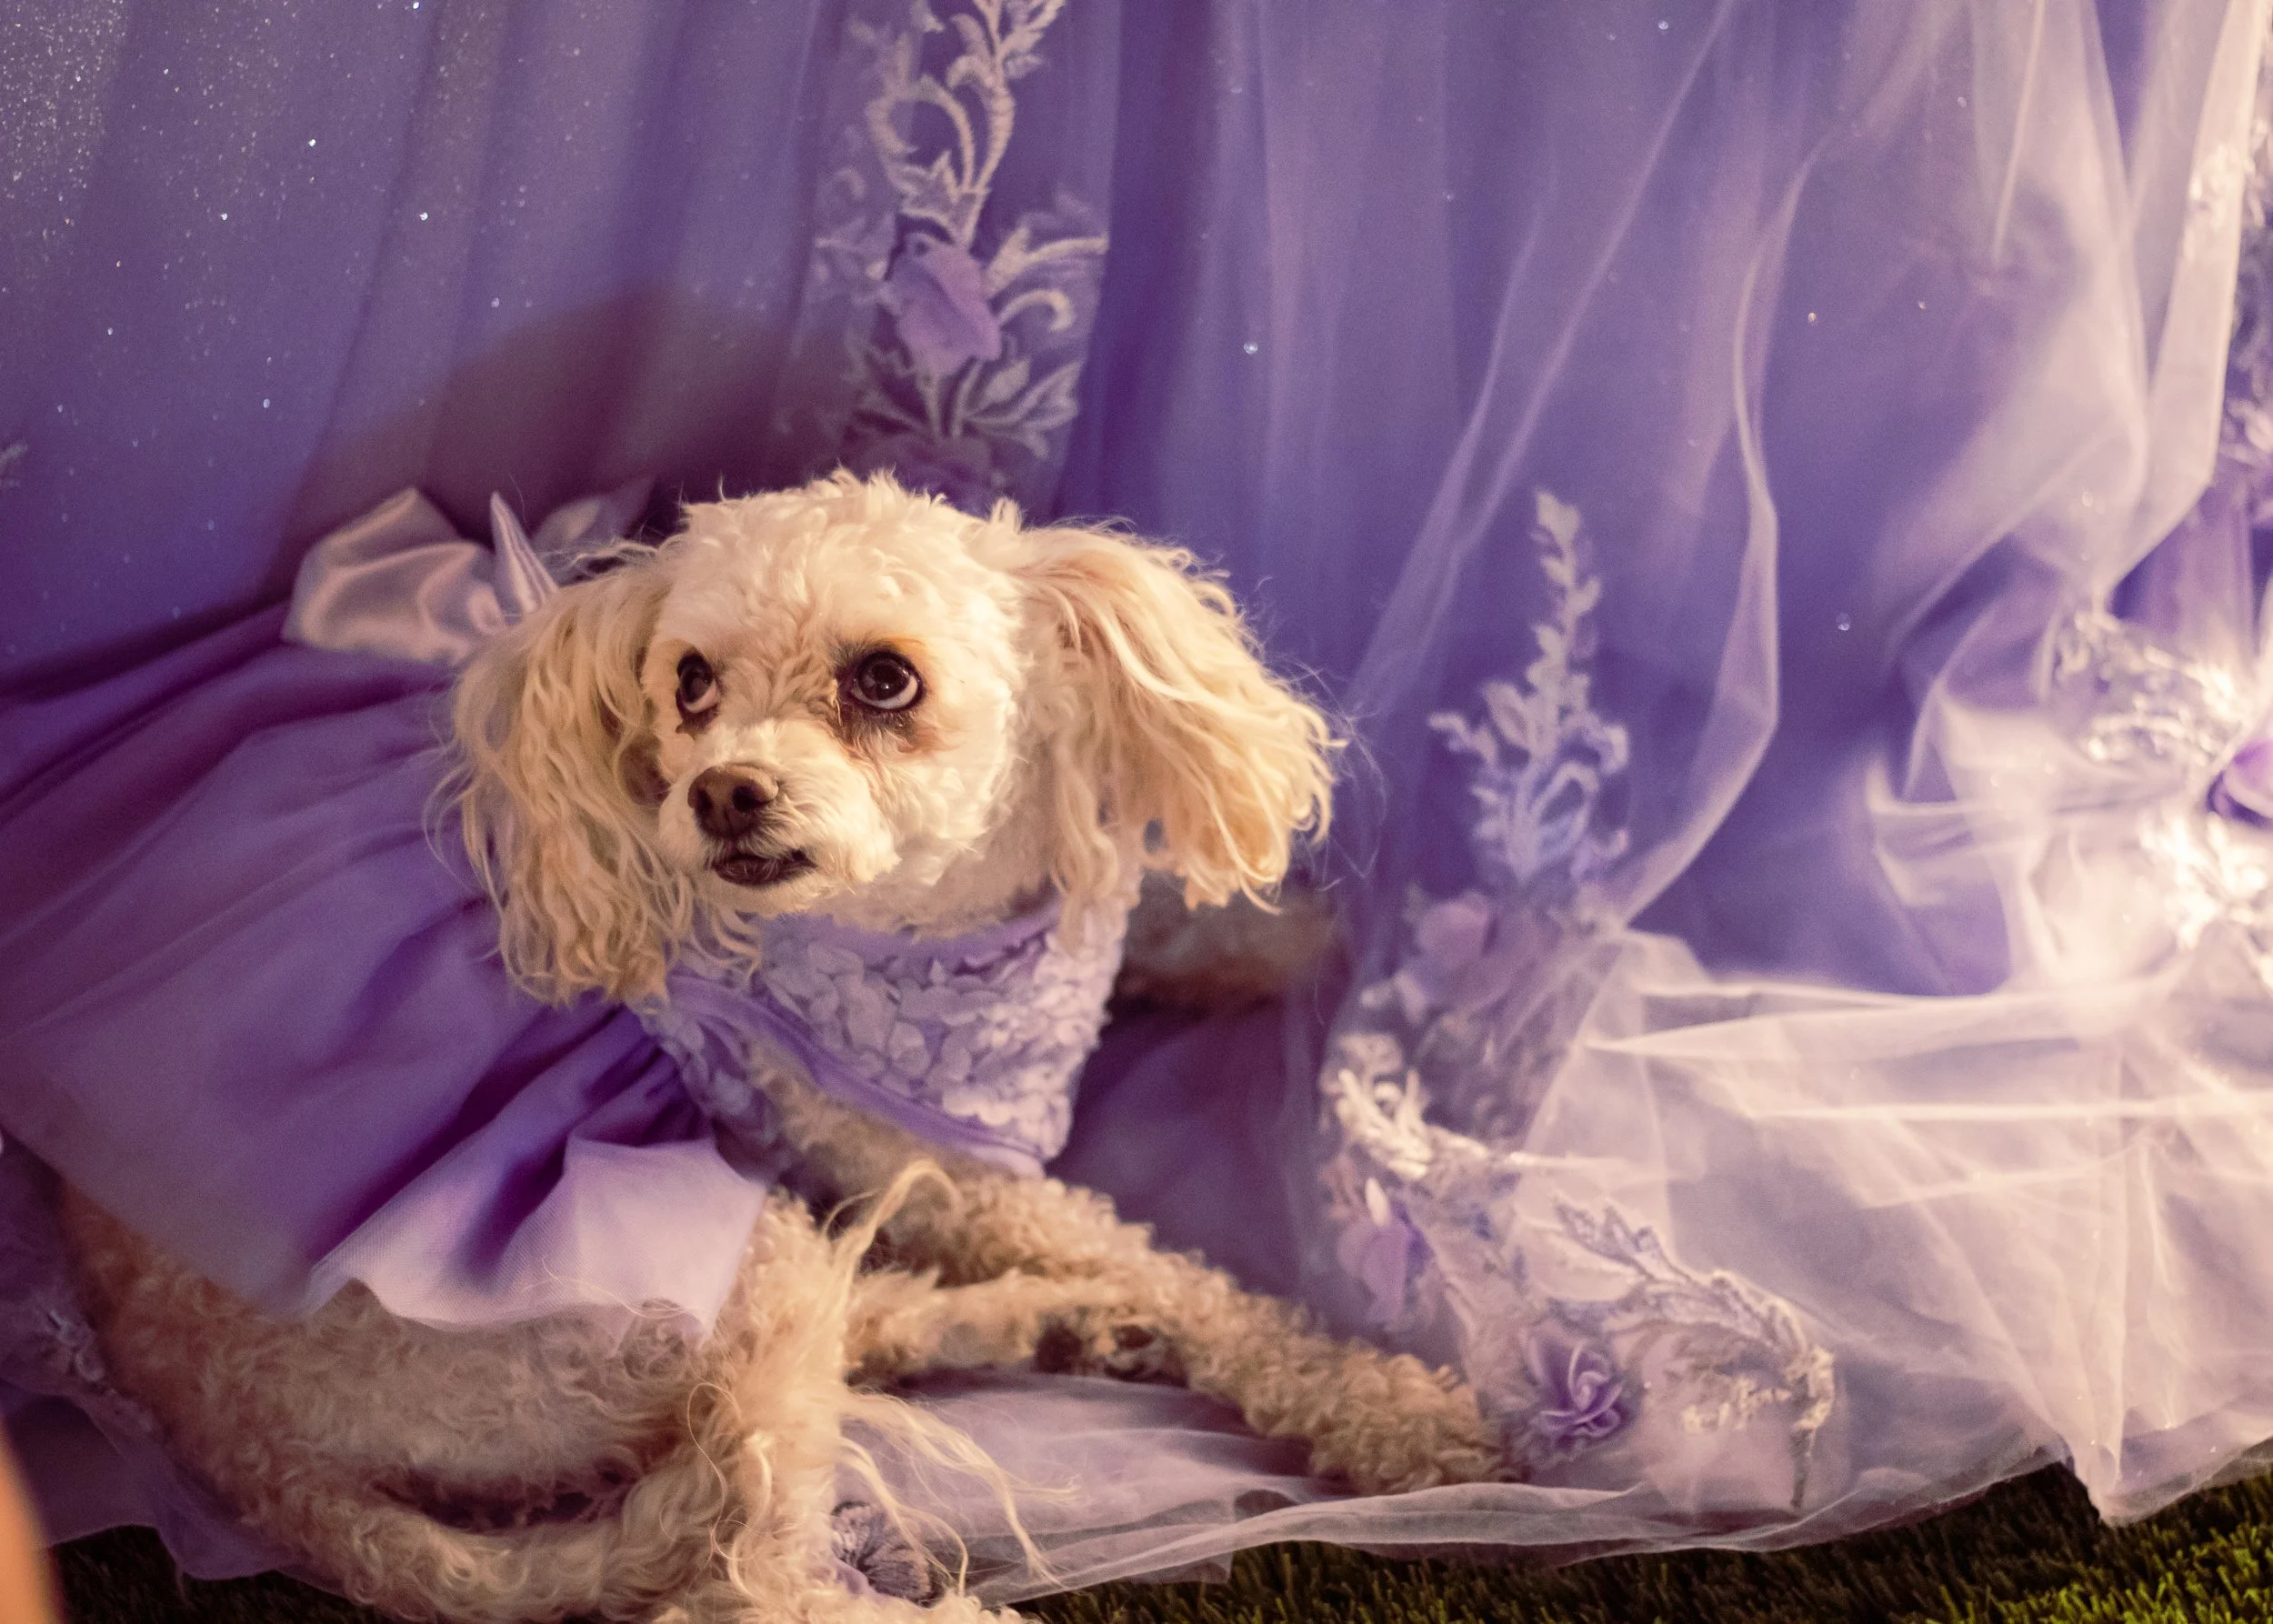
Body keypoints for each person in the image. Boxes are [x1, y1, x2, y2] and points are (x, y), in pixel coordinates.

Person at [5, 0, 2273, 1603]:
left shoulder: (1046, 726)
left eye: (872, 691)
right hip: (336, 1295)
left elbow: (1087, 909)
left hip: (321, 1240)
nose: (734, 767)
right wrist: (1300, 1365)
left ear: (1033, 681)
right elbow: (995, 1192)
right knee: (842, 1260)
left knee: (941, 1191)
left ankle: (861, 1367)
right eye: (693, 699)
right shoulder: (777, 945)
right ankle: (762, 1571)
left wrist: (1234, 939)